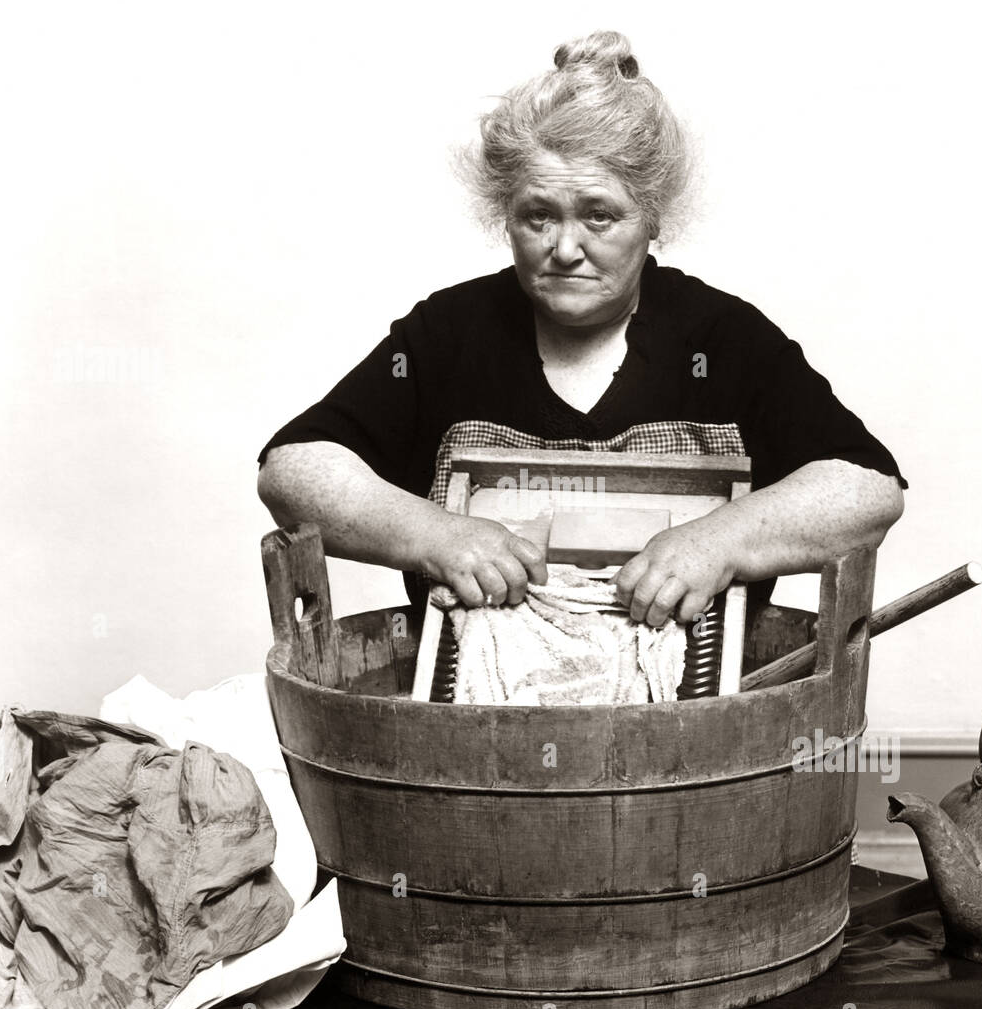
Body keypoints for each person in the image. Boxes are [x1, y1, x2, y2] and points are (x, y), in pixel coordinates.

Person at [257, 31, 906, 629]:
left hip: (693, 737)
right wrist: (436, 536)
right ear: (503, 216)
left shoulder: (723, 339)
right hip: (475, 734)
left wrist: (721, 541)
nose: (565, 248)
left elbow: (867, 489)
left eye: (599, 216)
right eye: (538, 216)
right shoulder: (449, 336)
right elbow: (293, 472)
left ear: (654, 217)